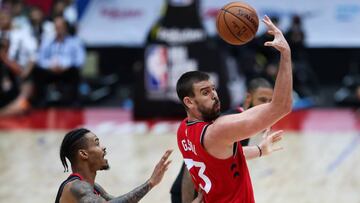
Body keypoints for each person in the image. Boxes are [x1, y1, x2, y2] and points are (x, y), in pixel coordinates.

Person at [175, 15, 292, 203]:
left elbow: (222, 157)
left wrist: (260, 150)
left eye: (213, 89)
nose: (214, 95)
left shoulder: (183, 130)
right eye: (205, 92)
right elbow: (282, 106)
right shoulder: (219, 130)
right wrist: (285, 54)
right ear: (189, 101)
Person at [170, 77, 277, 202]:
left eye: (270, 101)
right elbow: (188, 168)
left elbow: (232, 155)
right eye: (262, 100)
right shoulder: (229, 124)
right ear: (248, 98)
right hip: (188, 194)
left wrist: (260, 150)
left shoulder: (238, 122)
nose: (266, 106)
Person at [56, 128, 172, 203]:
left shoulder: (94, 187)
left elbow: (118, 201)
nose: (103, 147)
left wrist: (151, 183)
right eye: (97, 143)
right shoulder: (77, 187)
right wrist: (150, 183)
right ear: (83, 154)